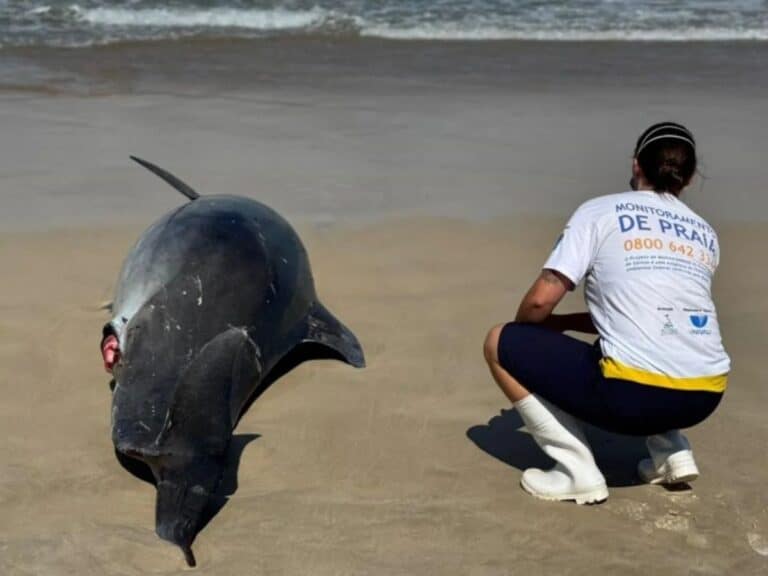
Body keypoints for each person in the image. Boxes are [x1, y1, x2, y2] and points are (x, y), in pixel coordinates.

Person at [483, 122, 730, 504]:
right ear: (690, 176)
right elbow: (643, 315)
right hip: (705, 394)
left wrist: (527, 333)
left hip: (632, 397)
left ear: (636, 165)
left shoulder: (600, 211)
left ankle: (577, 470)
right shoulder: (704, 232)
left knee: (500, 342)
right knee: (649, 340)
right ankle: (671, 450)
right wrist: (562, 325)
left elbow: (540, 301)